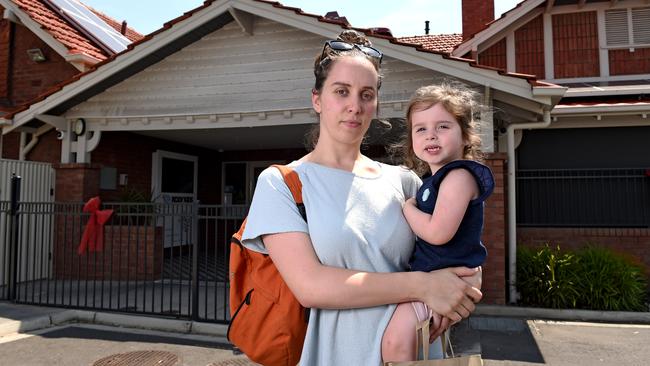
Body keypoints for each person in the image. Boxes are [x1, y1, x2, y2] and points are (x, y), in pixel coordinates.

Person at [240, 30, 483, 366]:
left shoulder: (405, 182)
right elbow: (311, 286)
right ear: (317, 99)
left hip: (415, 354)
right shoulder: (283, 184)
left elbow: (461, 251)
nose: (355, 106)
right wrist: (425, 286)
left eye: (366, 94)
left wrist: (463, 288)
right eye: (342, 91)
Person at [381, 83, 495, 362]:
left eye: (443, 126)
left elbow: (438, 232)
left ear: (466, 136)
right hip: (435, 279)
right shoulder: (435, 181)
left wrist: (407, 209)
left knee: (395, 343)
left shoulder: (458, 176)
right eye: (420, 129)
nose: (431, 135)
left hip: (444, 279)